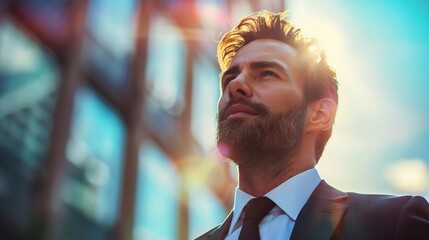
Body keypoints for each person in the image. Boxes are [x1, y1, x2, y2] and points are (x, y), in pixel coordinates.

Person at [196, 10, 429, 240]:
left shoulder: (394, 224)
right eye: (229, 78)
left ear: (320, 114)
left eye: (267, 74)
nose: (236, 85)